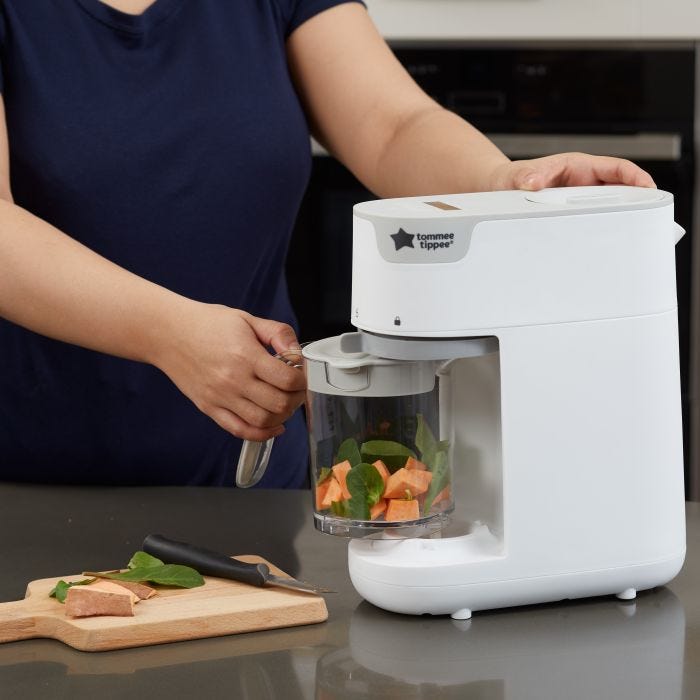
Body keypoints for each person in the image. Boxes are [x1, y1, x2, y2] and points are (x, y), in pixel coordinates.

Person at [0, 0, 655, 487]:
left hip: (253, 485)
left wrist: (506, 182)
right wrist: (170, 333)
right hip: (32, 498)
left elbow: (393, 126)